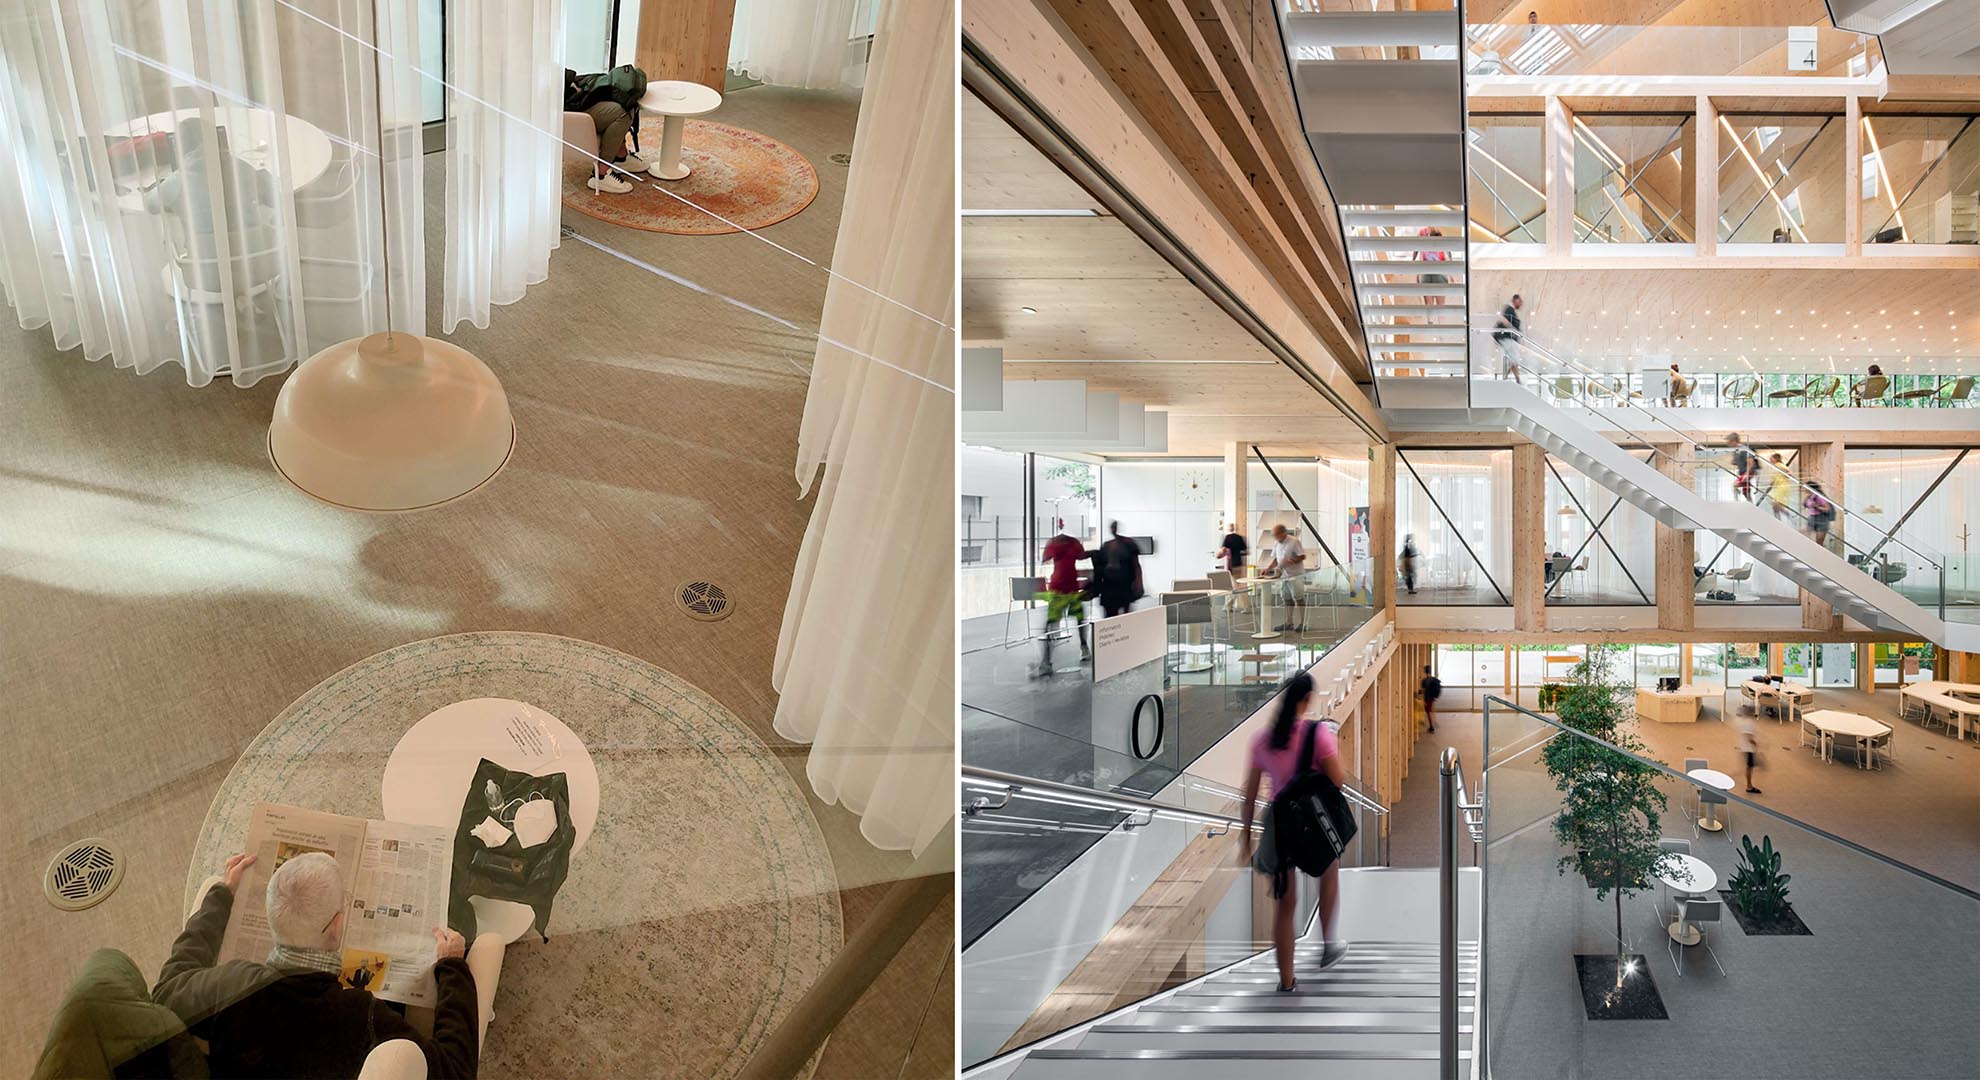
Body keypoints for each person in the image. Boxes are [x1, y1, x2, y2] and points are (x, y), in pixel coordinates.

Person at [152, 851, 479, 1079]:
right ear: (337, 926)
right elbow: (456, 1069)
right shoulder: (359, 1013)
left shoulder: (231, 985)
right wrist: (453, 968)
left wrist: (221, 895)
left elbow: (168, 988)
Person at [1239, 672, 1349, 989]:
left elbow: (1249, 796)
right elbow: (1337, 779)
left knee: (1284, 907)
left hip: (1281, 826)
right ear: (1306, 700)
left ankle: (1286, 982)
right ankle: (1329, 945)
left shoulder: (1261, 740)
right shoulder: (1318, 735)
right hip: (1313, 822)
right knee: (1329, 874)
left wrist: (1245, 839)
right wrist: (1332, 743)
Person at [565, 65, 650, 193]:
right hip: (570, 109)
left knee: (626, 100)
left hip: (575, 94)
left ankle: (620, 157)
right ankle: (601, 174)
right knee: (623, 113)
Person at [1034, 521, 1090, 676]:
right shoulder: (1073, 543)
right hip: (1069, 588)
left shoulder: (1054, 543)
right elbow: (1081, 555)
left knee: (1051, 624)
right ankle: (1083, 647)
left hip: (1060, 588)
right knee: (1079, 620)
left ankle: (1046, 661)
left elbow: (1045, 558)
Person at [1261, 523, 1308, 632]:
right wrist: (1268, 569)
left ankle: (1302, 623)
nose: (1275, 537)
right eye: (1274, 535)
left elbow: (1302, 556)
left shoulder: (1294, 542)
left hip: (1296, 575)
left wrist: (1291, 561)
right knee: (1287, 599)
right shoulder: (1276, 544)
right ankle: (1289, 622)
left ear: (1283, 533)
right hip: (1284, 576)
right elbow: (1276, 559)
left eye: (1277, 535)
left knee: (1299, 598)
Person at [1091, 521, 1143, 619]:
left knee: (1126, 614)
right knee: (1110, 615)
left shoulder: (1128, 544)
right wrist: (1096, 587)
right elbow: (1099, 568)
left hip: (1124, 584)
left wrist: (1138, 583)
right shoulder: (1106, 546)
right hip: (1109, 585)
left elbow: (1136, 565)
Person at [1493, 294, 1524, 383]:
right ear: (1516, 300)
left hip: (1508, 338)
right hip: (1507, 338)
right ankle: (1516, 379)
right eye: (1520, 301)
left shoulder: (1510, 310)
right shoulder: (1509, 309)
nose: (1521, 304)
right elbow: (1504, 320)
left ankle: (1508, 378)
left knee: (1513, 360)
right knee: (1515, 359)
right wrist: (1514, 330)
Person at [1734, 710, 1763, 794]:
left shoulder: (1742, 722)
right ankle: (1749, 786)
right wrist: (1756, 745)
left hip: (1744, 747)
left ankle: (1749, 785)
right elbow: (1749, 738)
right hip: (1749, 749)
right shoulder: (1749, 723)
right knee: (1749, 768)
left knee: (1749, 767)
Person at [1727, 432, 1760, 503]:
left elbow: (1751, 462)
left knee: (1735, 485)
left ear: (1734, 441)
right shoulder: (1736, 451)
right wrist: (1734, 462)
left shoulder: (1743, 449)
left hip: (1748, 472)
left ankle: (1737, 503)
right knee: (1745, 492)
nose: (1728, 444)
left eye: (1729, 442)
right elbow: (1737, 461)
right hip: (1743, 472)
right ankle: (1751, 506)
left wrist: (1747, 474)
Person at [1802, 480, 1836, 548]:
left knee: (1819, 542)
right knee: (1805, 536)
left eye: (1806, 488)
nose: (1804, 489)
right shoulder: (1809, 497)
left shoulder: (1819, 497)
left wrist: (1816, 506)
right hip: (1812, 518)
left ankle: (1820, 556)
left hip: (1822, 519)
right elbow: (1806, 506)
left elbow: (1827, 509)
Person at [1765, 452, 1796, 521]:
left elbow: (1789, 472)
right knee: (1774, 506)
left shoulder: (1779, 465)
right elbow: (1773, 479)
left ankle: (1789, 515)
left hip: (1782, 487)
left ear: (1776, 459)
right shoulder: (1774, 466)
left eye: (1771, 458)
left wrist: (1787, 474)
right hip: (1777, 488)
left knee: (1776, 505)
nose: (1770, 459)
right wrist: (1768, 485)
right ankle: (1778, 520)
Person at [1420, 664, 1442, 734]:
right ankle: (1432, 724)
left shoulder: (1424, 681)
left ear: (1424, 671)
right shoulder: (1434, 679)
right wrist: (1435, 696)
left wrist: (1423, 699)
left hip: (1427, 698)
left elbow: (1423, 691)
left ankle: (1432, 727)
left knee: (1428, 712)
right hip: (1432, 697)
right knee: (1430, 710)